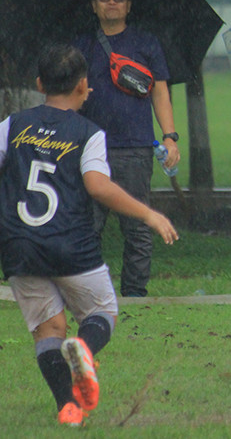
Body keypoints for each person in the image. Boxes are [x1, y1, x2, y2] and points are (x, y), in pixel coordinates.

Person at [0, 44, 178, 426]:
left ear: (38, 84)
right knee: (101, 312)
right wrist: (148, 214)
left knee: (48, 328)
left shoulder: (12, 125)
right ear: (84, 86)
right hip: (69, 242)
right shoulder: (88, 133)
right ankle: (84, 346)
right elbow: (97, 186)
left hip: (19, 244)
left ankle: (68, 407)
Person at [72, 0, 179, 297]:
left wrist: (170, 137)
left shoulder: (146, 43)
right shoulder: (80, 45)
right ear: (94, 6)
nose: (112, 3)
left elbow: (161, 92)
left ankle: (135, 292)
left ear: (129, 5)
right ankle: (90, 291)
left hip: (135, 146)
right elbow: (67, 92)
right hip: (89, 148)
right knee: (88, 225)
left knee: (137, 224)